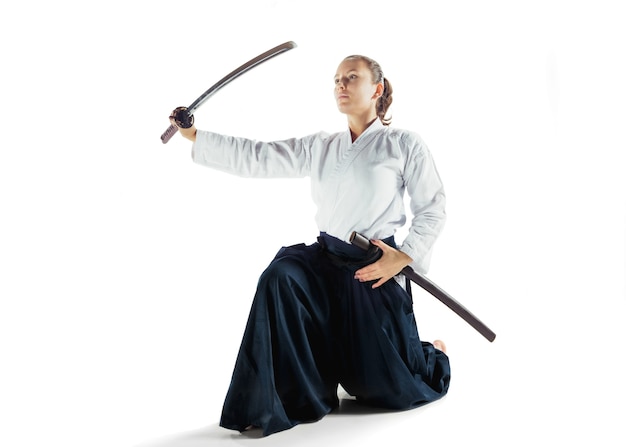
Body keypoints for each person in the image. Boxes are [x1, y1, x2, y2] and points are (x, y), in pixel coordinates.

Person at [168, 54, 451, 436]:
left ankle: (430, 354)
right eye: (337, 79)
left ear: (377, 89)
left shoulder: (403, 144)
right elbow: (260, 155)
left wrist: (402, 257)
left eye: (352, 77)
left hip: (371, 269)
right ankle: (278, 399)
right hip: (324, 262)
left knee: (388, 391)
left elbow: (432, 207)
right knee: (280, 277)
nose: (341, 85)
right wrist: (195, 136)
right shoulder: (322, 146)